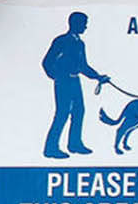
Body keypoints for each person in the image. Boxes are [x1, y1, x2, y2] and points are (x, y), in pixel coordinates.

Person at [41, 11, 109, 158]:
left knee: (79, 111)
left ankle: (74, 144)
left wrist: (98, 77)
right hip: (64, 81)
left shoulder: (80, 43)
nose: (86, 27)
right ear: (75, 23)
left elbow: (83, 65)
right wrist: (56, 76)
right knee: (62, 114)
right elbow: (47, 62)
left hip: (75, 81)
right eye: (84, 23)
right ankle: (51, 148)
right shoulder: (61, 41)